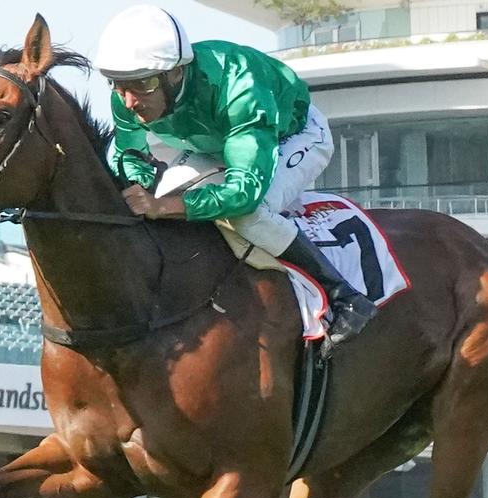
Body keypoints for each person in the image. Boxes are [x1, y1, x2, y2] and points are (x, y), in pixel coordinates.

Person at [95, 5, 377, 353]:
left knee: (248, 215)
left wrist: (164, 204)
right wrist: (142, 189)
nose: (129, 100)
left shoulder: (239, 84)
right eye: (118, 85)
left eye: (143, 84)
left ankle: (344, 295)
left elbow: (244, 193)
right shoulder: (127, 95)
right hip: (210, 143)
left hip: (292, 135)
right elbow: (131, 156)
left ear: (175, 73)